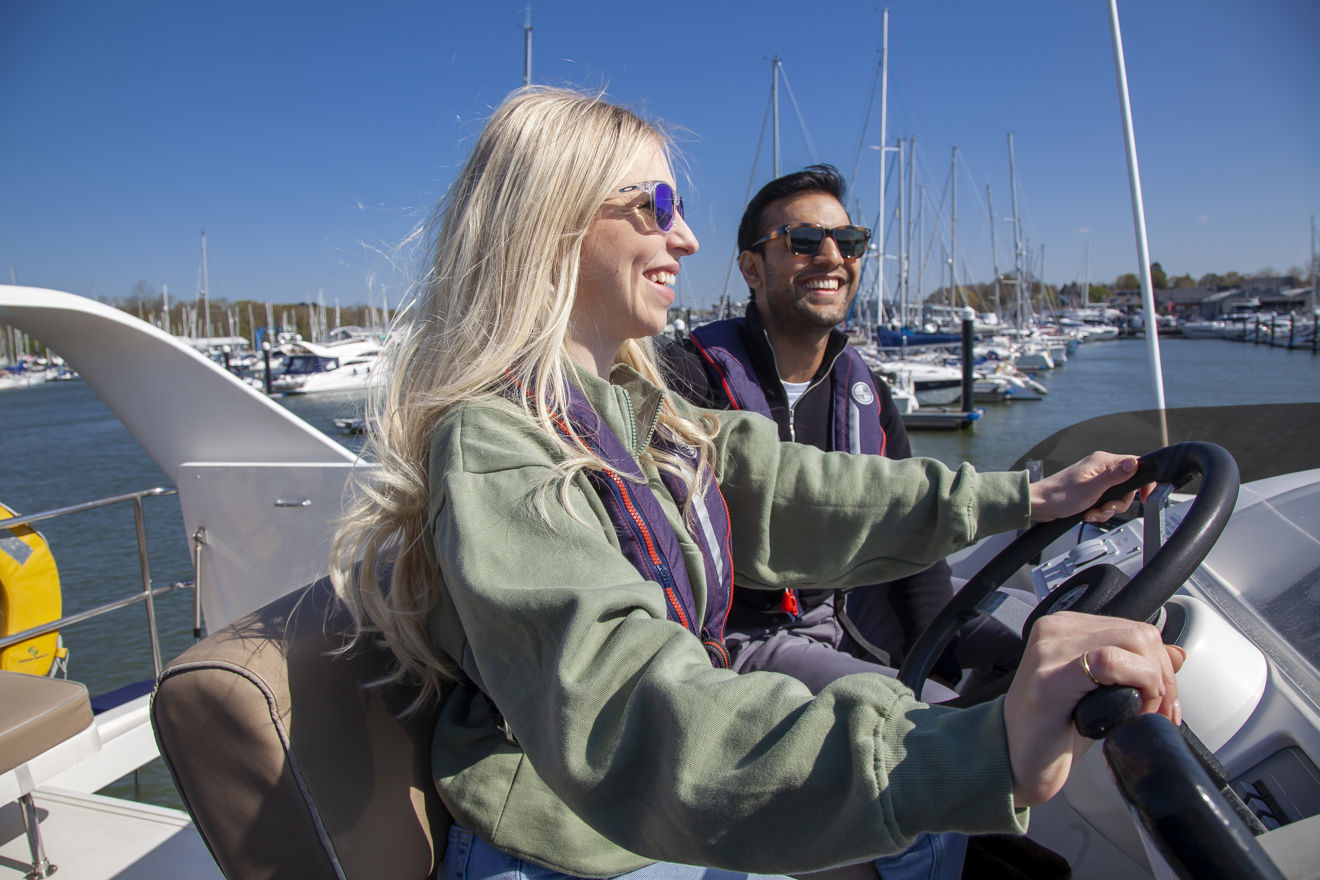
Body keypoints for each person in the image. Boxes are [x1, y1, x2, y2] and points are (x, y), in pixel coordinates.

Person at [329, 87, 1181, 880]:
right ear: (551, 220)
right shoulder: (497, 442)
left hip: (656, 818)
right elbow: (631, 712)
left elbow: (795, 491)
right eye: (656, 207)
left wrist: (1031, 498)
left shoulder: (638, 410)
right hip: (567, 847)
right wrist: (986, 749)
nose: (686, 239)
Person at [662, 164, 993, 699]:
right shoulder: (688, 380)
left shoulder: (868, 394)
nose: (833, 257)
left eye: (850, 240)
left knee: (1032, 647)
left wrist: (954, 643)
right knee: (946, 723)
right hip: (745, 638)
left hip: (856, 612)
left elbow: (913, 542)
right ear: (752, 268)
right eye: (805, 240)